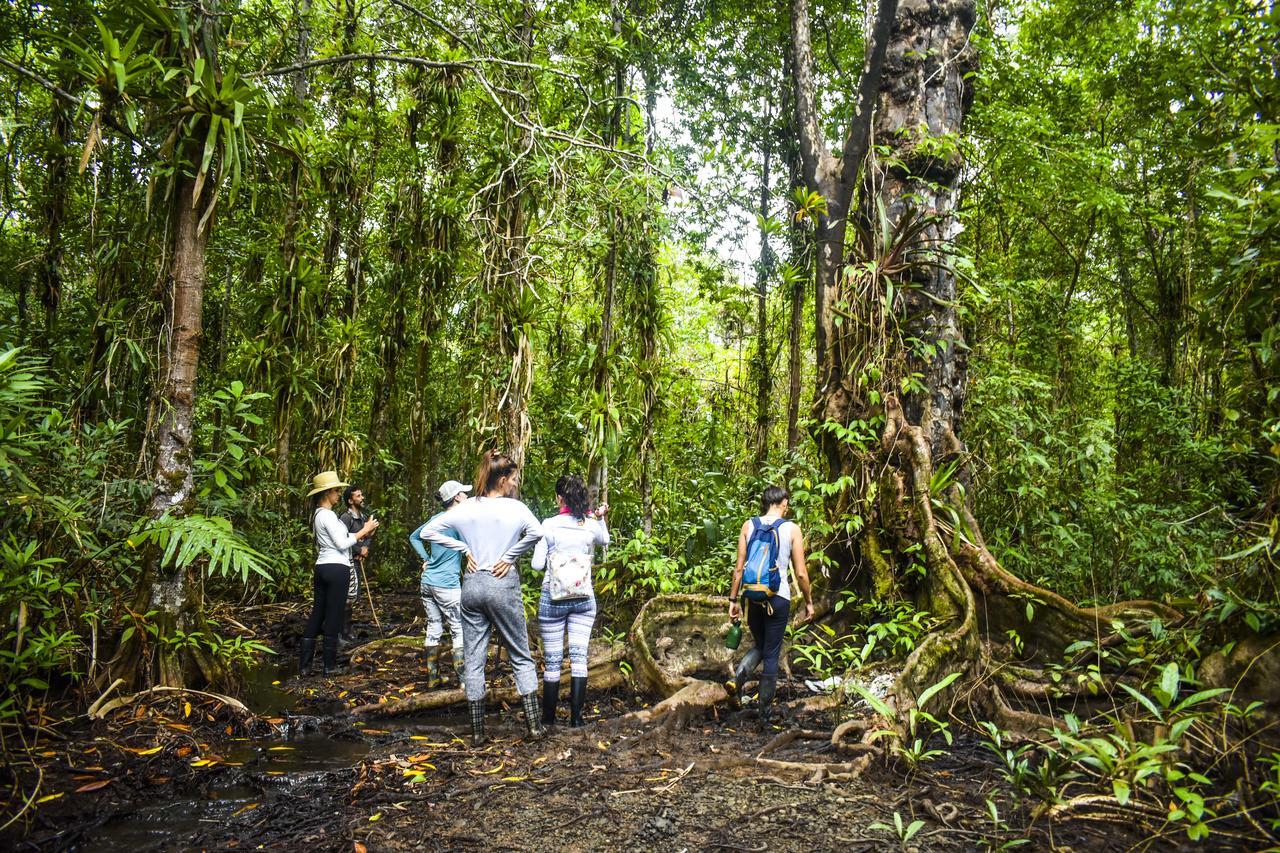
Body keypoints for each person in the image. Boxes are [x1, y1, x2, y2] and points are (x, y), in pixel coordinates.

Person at [421, 451, 545, 745]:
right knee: (520, 655)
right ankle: (534, 727)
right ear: (502, 480)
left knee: (474, 661)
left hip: (473, 585)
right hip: (502, 583)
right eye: (513, 479)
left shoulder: (468, 507)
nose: (515, 484)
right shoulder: (515, 508)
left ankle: (477, 733)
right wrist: (510, 555)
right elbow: (537, 532)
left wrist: (465, 550)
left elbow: (428, 530)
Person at [726, 485, 814, 725]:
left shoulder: (749, 525)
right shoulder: (792, 529)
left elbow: (739, 568)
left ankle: (737, 681)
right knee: (772, 652)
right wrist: (808, 602)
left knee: (761, 644)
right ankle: (764, 714)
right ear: (784, 503)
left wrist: (733, 600)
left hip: (751, 596)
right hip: (778, 597)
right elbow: (801, 573)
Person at [531, 475, 609, 728]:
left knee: (552, 661)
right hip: (584, 599)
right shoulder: (589, 524)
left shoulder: (549, 525)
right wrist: (600, 518)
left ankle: (548, 719)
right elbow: (605, 540)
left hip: (553, 599)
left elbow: (536, 564)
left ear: (559, 498)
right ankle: (576, 719)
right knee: (579, 658)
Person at [301, 471, 379, 676]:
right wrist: (365, 529)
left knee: (318, 614)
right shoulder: (327, 515)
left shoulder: (320, 514)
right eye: (336, 490)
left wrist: (364, 533)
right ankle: (329, 667)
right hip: (337, 568)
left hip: (323, 567)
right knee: (334, 616)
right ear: (327, 493)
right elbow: (342, 543)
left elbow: (346, 536)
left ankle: (305, 667)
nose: (339, 494)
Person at [409, 479, 472, 689]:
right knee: (458, 629)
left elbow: (414, 537)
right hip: (447, 584)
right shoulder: (459, 520)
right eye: (463, 493)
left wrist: (426, 559)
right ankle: (464, 681)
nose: (466, 496)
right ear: (456, 498)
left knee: (433, 628)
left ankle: (433, 678)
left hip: (427, 583)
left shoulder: (436, 519)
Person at [338, 485, 374, 642]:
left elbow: (368, 535)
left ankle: (346, 630)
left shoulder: (363, 516)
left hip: (357, 562)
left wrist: (365, 547)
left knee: (352, 598)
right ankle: (340, 632)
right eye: (358, 496)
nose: (362, 498)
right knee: (345, 598)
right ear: (350, 500)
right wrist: (359, 549)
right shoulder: (345, 518)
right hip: (346, 562)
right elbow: (341, 539)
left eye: (362, 495)